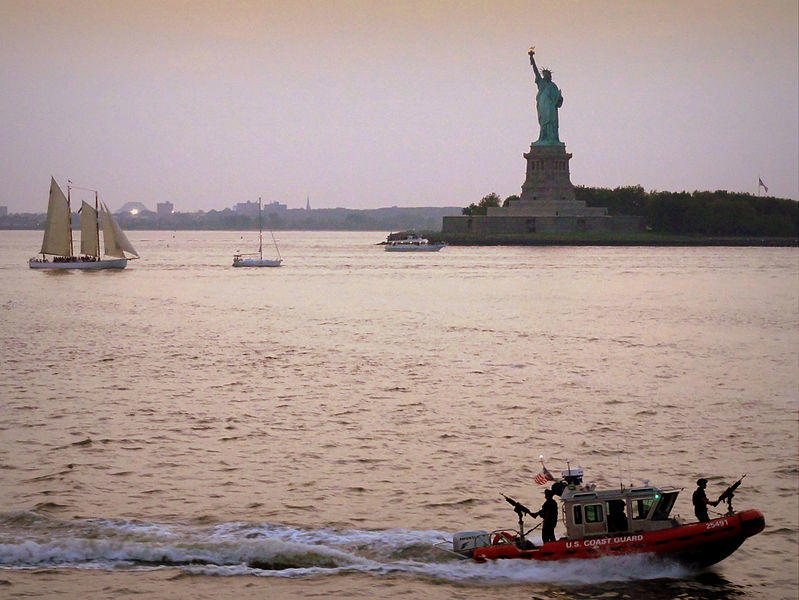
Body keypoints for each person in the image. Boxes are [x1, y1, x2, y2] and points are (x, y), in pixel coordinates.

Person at [528, 47, 564, 145]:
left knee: (552, 123)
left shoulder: (553, 85)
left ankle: (552, 139)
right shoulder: (541, 83)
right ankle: (543, 138)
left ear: (550, 76)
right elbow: (535, 71)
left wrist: (560, 98)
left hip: (551, 107)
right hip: (543, 106)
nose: (546, 76)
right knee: (543, 123)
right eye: (545, 75)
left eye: (548, 75)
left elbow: (558, 99)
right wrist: (532, 59)